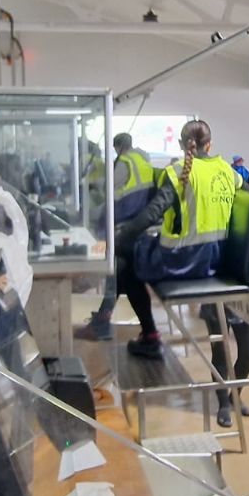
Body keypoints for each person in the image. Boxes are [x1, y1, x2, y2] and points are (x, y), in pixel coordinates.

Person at [115, 120, 241, 359]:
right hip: (216, 259)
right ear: (210, 144)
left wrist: (120, 238)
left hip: (183, 261)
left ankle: (149, 335)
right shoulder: (227, 171)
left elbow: (153, 213)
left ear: (182, 144)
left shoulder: (178, 172)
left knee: (124, 263)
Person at [76, 133, 159, 341]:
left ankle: (108, 322)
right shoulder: (142, 160)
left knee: (120, 270)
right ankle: (106, 320)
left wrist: (90, 214)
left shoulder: (123, 163)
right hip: (140, 225)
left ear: (118, 146)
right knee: (120, 271)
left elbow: (108, 195)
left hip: (125, 226)